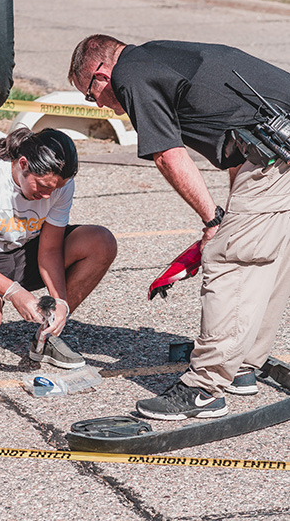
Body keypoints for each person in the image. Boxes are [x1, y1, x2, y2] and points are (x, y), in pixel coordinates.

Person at [69, 34, 290, 420]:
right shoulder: (156, 56)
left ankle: (205, 389)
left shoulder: (130, 76)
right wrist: (231, 210)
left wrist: (213, 221)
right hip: (275, 145)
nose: (101, 105)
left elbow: (168, 155)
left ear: (101, 74)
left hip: (276, 153)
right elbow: (235, 128)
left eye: (92, 95)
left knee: (229, 260)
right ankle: (241, 366)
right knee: (266, 258)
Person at [0, 127, 117, 367]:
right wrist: (14, 292)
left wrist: (61, 303)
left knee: (101, 241)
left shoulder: (59, 184)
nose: (48, 196)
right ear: (23, 164)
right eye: (43, 186)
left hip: (26, 251)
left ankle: (47, 336)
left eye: (55, 189)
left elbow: (49, 250)